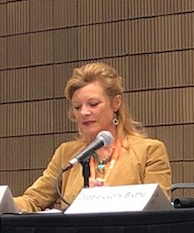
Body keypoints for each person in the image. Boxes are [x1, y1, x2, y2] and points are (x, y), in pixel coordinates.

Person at [14, 63, 172, 212]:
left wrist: (109, 200)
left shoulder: (149, 151)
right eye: (77, 107)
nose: (84, 112)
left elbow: (157, 209)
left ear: (115, 103)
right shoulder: (68, 153)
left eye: (93, 104)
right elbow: (33, 200)